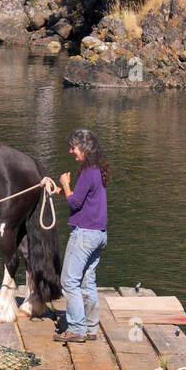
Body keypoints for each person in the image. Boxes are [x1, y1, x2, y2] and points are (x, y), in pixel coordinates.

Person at [54, 128, 110, 343]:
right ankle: (90, 327)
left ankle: (77, 329)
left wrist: (66, 185)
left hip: (84, 235)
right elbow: (80, 200)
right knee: (88, 282)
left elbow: (75, 202)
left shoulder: (87, 172)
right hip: (99, 234)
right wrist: (59, 191)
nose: (71, 151)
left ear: (84, 148)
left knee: (69, 281)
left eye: (74, 147)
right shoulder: (97, 170)